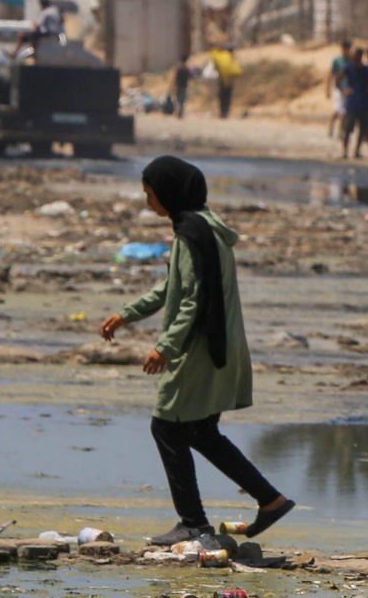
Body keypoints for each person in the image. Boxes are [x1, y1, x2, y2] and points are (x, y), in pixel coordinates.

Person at [99, 157, 295, 547]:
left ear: (169, 192)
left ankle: (193, 522)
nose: (148, 201)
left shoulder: (192, 233)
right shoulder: (205, 227)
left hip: (200, 348)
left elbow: (192, 299)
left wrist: (165, 348)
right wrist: (128, 314)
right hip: (220, 344)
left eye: (150, 193)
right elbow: (173, 287)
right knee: (201, 432)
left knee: (167, 426)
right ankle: (270, 501)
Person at [327, 40, 352, 138]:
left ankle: (340, 131)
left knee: (344, 112)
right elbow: (331, 75)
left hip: (347, 89)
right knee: (338, 111)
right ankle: (332, 127)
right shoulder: (337, 60)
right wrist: (328, 88)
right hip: (338, 88)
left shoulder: (351, 60)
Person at [208, 44, 241, 118]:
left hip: (221, 80)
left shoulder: (220, 56)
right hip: (229, 80)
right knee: (228, 97)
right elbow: (235, 69)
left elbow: (215, 65)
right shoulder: (229, 57)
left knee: (222, 97)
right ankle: (226, 113)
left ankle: (223, 112)